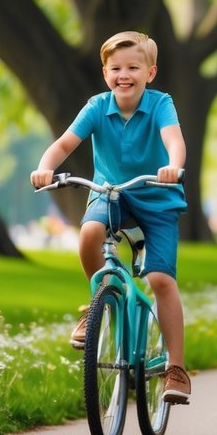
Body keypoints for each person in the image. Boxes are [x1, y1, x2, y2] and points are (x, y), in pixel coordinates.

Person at [30, 31, 191, 404]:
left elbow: (174, 141)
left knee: (160, 278)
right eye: (116, 68)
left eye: (133, 67)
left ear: (150, 72)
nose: (124, 75)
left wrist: (173, 166)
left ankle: (177, 368)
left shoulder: (161, 104)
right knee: (89, 233)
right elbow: (65, 143)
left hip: (157, 198)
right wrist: (45, 168)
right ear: (105, 73)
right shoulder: (97, 106)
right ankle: (97, 299)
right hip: (110, 193)